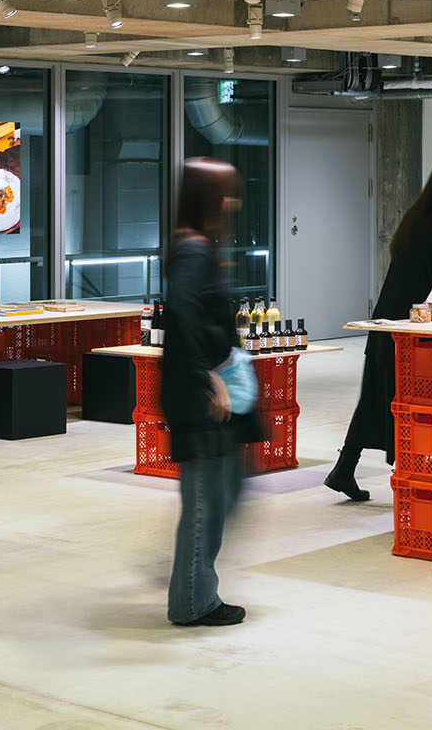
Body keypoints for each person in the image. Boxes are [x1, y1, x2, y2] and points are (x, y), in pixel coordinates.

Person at [325, 156, 432, 501]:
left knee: (377, 397)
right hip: (408, 332)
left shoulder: (419, 220)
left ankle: (345, 469)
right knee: (406, 402)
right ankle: (406, 475)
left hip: (387, 324)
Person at [163, 158, 266, 627]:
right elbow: (182, 314)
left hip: (209, 394)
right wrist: (210, 379)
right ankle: (191, 599)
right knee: (206, 499)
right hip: (200, 397)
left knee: (222, 492)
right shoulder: (192, 250)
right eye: (227, 193)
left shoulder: (200, 245)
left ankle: (194, 582)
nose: (234, 202)